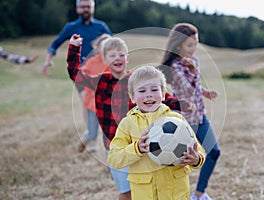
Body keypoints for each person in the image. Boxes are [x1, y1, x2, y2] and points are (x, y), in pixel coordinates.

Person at [67, 35, 195, 200]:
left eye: (121, 54)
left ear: (127, 58)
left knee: (143, 189)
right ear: (104, 59)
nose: (117, 58)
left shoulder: (135, 81)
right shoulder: (101, 82)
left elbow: (161, 96)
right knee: (126, 193)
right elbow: (75, 74)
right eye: (112, 55)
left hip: (141, 144)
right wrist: (74, 49)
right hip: (115, 145)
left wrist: (182, 104)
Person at [107, 65, 206, 200]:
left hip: (175, 192)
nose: (149, 94)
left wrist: (196, 160)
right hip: (145, 193)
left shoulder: (177, 120)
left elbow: (199, 152)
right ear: (132, 97)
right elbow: (114, 159)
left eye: (154, 89)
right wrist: (136, 149)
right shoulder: (127, 124)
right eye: (142, 90)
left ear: (164, 93)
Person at [159, 23, 221, 200]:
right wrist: (193, 71)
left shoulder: (195, 61)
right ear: (179, 45)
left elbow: (196, 87)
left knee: (214, 152)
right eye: (190, 45)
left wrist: (205, 93)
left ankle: (199, 194)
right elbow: (187, 90)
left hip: (200, 116)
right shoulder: (174, 66)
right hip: (183, 121)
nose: (194, 49)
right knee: (178, 162)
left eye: (196, 44)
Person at [42, 0, 112, 147]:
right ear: (77, 8)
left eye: (88, 6)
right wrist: (48, 60)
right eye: (82, 6)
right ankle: (91, 137)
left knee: (100, 103)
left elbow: (113, 44)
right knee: (87, 100)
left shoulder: (101, 27)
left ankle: (95, 132)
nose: (85, 9)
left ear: (93, 8)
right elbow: (54, 44)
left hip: (100, 74)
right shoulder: (71, 27)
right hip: (80, 74)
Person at [78, 33, 111, 153]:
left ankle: (111, 162)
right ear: (98, 48)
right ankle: (85, 140)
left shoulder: (113, 62)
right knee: (92, 133)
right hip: (93, 104)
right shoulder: (92, 62)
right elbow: (80, 75)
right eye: (103, 46)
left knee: (110, 134)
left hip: (108, 105)